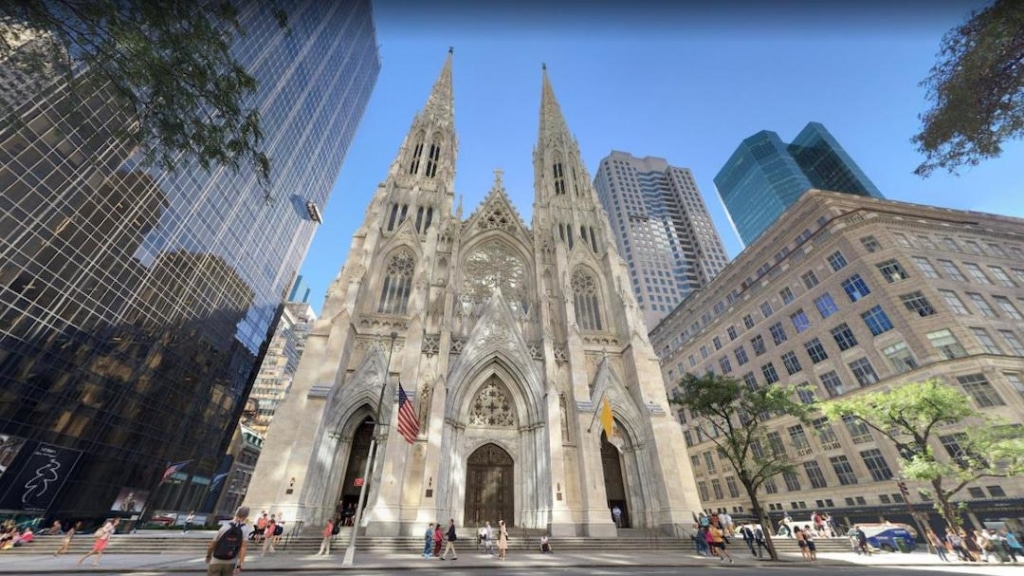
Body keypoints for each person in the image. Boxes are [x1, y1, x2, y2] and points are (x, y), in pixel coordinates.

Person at [205, 506, 250, 576]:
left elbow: (213, 544)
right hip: (231, 561)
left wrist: (208, 556)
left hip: (216, 560)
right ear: (246, 516)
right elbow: (243, 547)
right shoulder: (245, 529)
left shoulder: (225, 526)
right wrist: (240, 564)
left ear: (236, 513)